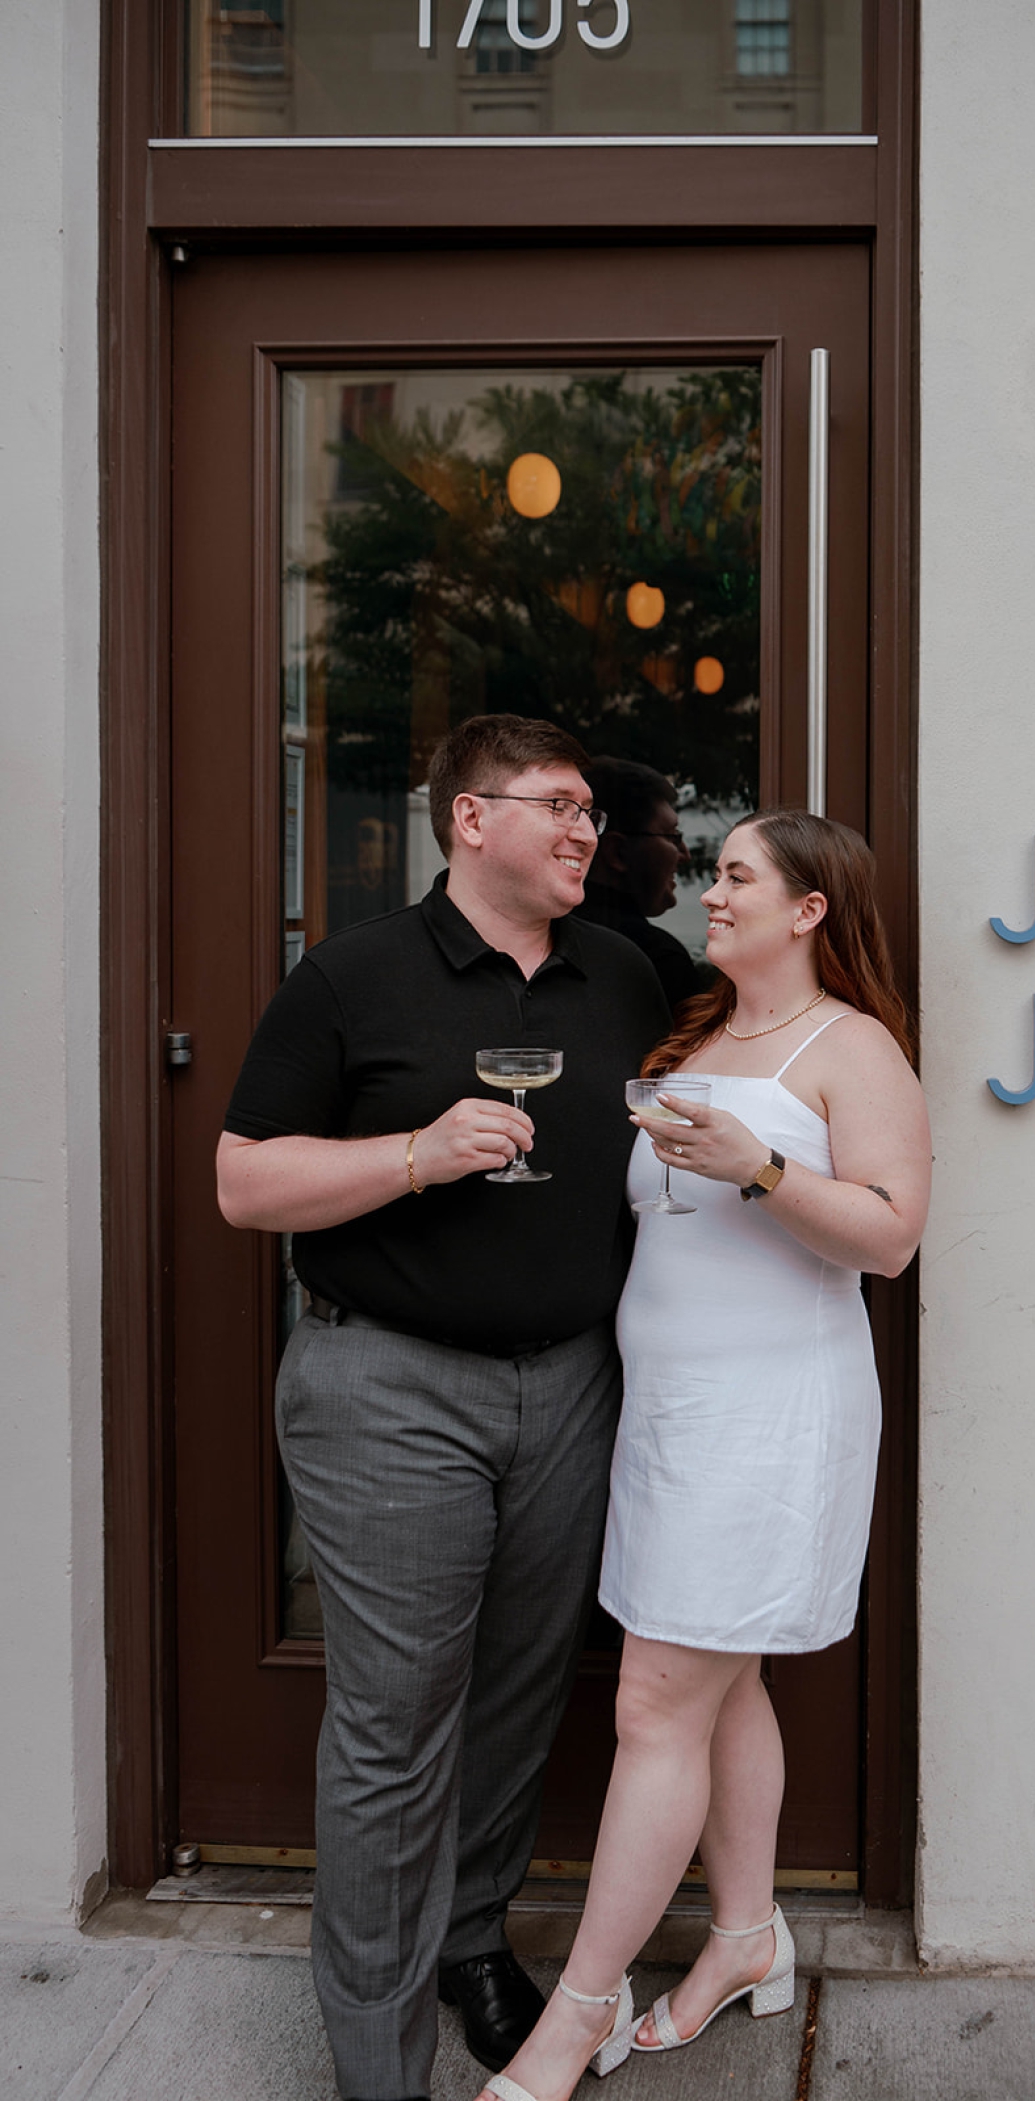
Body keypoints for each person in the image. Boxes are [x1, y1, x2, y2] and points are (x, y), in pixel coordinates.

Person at [215, 714, 670, 2101]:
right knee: (395, 1721)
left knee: (521, 1696)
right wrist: (415, 1155)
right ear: (471, 820)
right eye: (561, 806)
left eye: (597, 810)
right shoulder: (353, 976)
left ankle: (471, 1940)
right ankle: (376, 2056)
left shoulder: (633, 974)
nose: (591, 829)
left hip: (575, 1380)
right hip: (390, 1386)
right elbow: (245, 1185)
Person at [476, 808, 931, 2101]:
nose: (710, 893)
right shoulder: (696, 1034)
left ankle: (577, 2010)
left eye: (736, 877)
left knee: (653, 1702)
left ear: (809, 910)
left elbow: (893, 1237)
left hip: (774, 1419)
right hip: (670, 1421)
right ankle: (744, 1938)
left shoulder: (856, 1049)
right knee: (721, 1689)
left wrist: (762, 1169)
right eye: (716, 873)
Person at [573, 757, 703, 1012]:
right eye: (671, 836)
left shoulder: (541, 936)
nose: (685, 854)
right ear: (617, 852)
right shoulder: (655, 958)